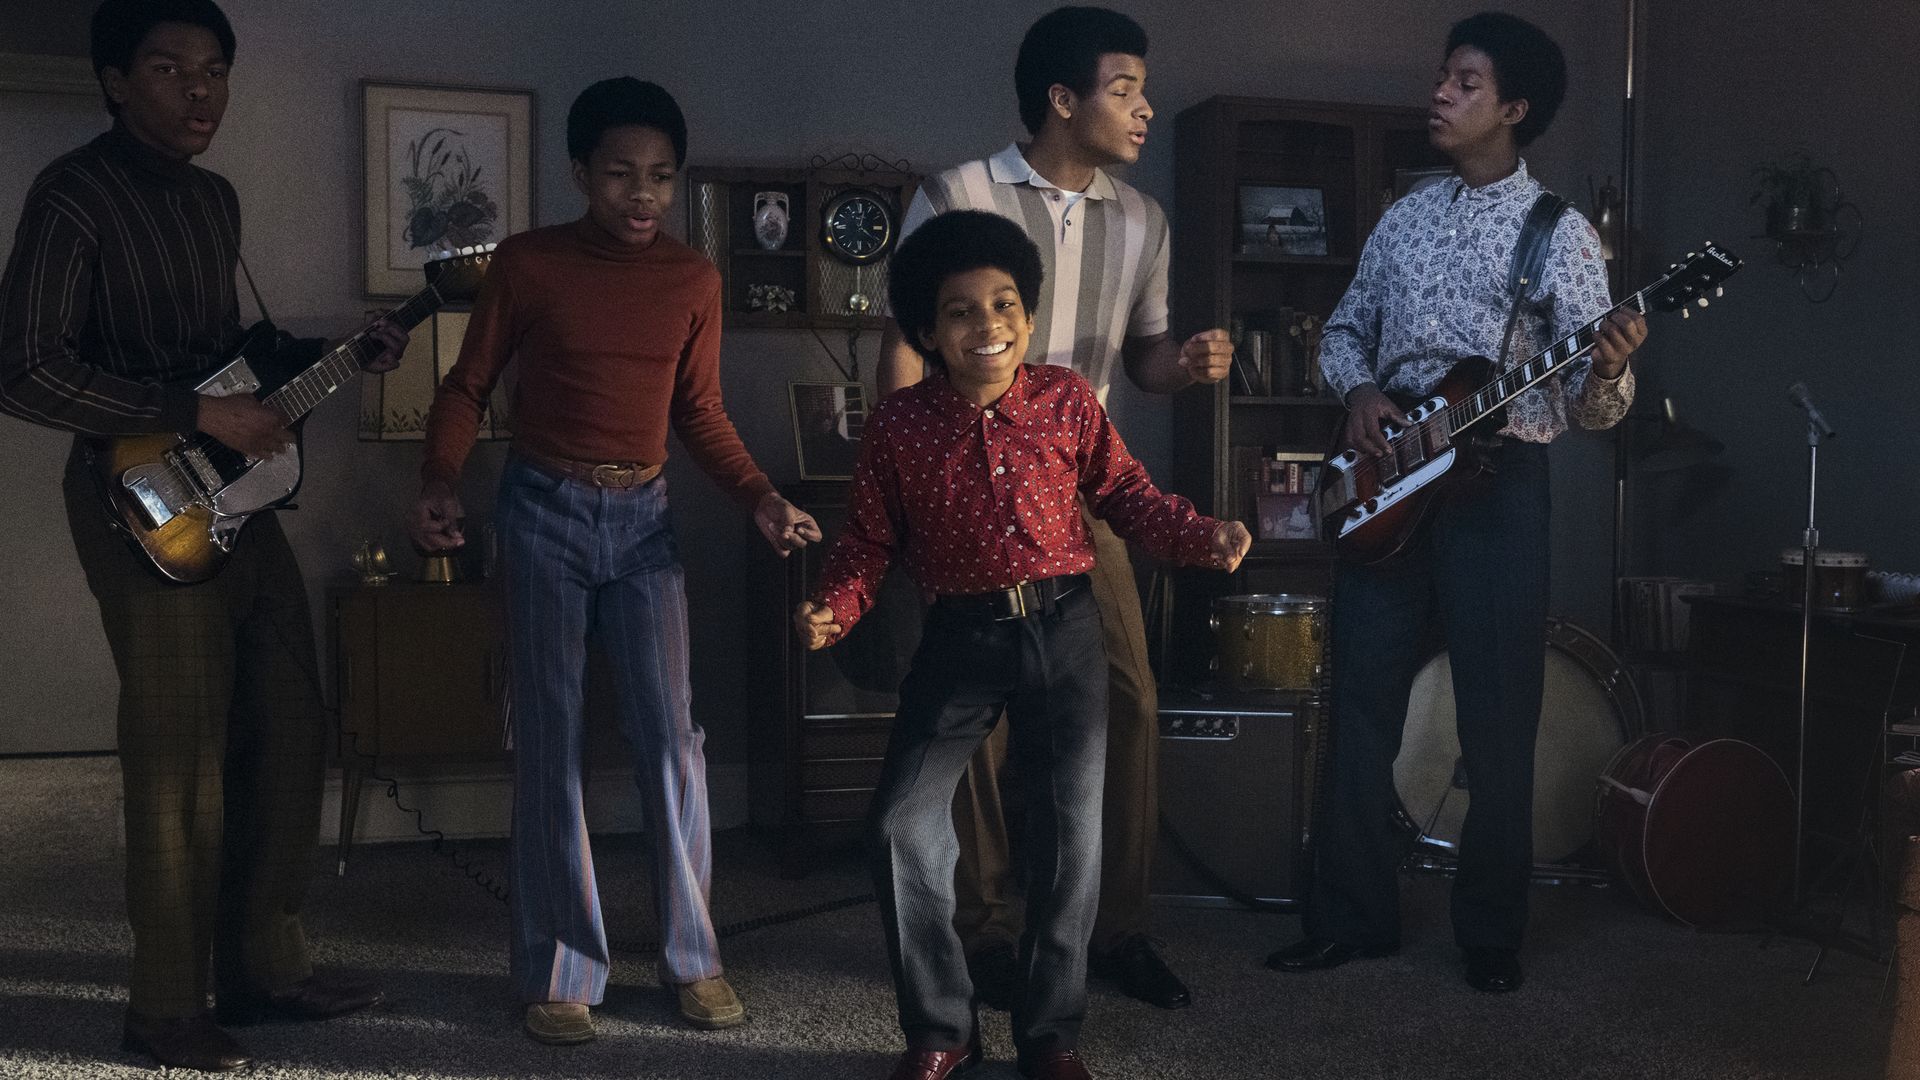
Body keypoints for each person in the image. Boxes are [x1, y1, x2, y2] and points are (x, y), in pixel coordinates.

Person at [0, 0, 405, 1070]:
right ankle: (163, 1008)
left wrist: (330, 353)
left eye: (216, 69)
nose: (200, 92)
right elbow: (24, 368)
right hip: (134, 504)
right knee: (178, 760)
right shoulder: (73, 193)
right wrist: (188, 414)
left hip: (231, 496)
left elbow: (226, 350)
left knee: (290, 725)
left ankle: (266, 971)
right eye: (171, 69)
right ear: (114, 81)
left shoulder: (214, 200)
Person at [408, 76, 819, 1046]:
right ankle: (560, 970)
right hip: (543, 512)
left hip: (645, 524)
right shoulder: (528, 263)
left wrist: (760, 497)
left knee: (671, 741)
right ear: (581, 173)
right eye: (622, 175)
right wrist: (436, 483)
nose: (642, 196)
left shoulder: (693, 280)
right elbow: (468, 386)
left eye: (662, 178)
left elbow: (701, 412)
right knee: (550, 742)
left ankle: (694, 958)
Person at [802, 209, 1250, 1080]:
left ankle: (1052, 1036)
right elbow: (867, 543)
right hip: (960, 638)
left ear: (1030, 316)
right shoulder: (898, 428)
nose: (989, 325)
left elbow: (1127, 495)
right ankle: (941, 1029)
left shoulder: (1065, 401)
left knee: (1072, 836)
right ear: (928, 331)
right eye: (963, 311)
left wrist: (1202, 537)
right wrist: (836, 606)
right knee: (901, 823)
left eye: (1005, 304)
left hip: (1065, 628)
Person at [1262, 11, 1648, 994]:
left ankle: (1490, 934)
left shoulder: (1559, 236)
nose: (1440, 91)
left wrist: (1608, 370)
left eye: (1465, 81)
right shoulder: (1404, 216)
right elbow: (1344, 335)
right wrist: (1359, 396)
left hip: (1498, 486)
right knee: (1359, 705)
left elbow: (1585, 408)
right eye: (1443, 75)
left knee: (1497, 715)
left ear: (1513, 109)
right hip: (1391, 478)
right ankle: (1350, 918)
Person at [875, 5, 1233, 1013]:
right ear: (1062, 100)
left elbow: (1146, 360)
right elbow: (908, 342)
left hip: (1085, 496)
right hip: (968, 487)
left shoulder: (1145, 221)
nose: (1145, 109)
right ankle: (987, 931)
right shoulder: (956, 193)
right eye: (1125, 89)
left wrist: (1186, 365)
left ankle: (1113, 930)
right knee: (980, 718)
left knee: (1127, 700)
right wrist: (905, 477)